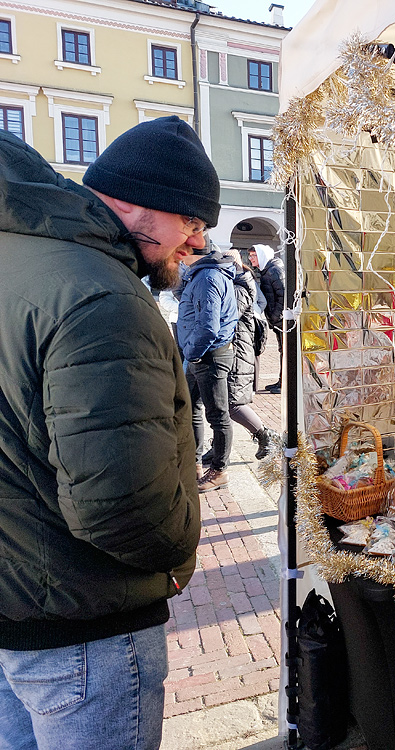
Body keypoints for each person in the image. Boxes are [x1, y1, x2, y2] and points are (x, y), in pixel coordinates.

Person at [0, 115, 212, 749]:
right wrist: (177, 559)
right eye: (194, 223)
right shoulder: (102, 296)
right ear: (151, 207)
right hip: (81, 623)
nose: (195, 244)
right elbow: (122, 503)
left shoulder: (22, 255)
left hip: (21, 598)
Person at [176, 244, 238, 492]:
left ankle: (219, 471)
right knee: (191, 408)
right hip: (201, 353)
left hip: (208, 354)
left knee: (217, 415)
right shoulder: (202, 275)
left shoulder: (208, 277)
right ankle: (195, 464)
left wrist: (192, 353)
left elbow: (208, 326)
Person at [220, 247, 280, 459]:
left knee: (232, 403)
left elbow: (229, 316)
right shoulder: (238, 283)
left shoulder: (239, 286)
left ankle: (265, 435)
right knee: (221, 404)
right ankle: (218, 450)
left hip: (237, 349)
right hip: (233, 347)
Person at [249, 243, 285, 393]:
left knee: (286, 352)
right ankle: (281, 382)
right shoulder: (266, 270)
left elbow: (284, 295)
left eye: (253, 255)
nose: (250, 259)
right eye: (250, 256)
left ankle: (284, 384)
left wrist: (276, 315)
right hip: (277, 320)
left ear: (262, 255)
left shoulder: (274, 270)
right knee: (282, 351)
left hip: (283, 320)